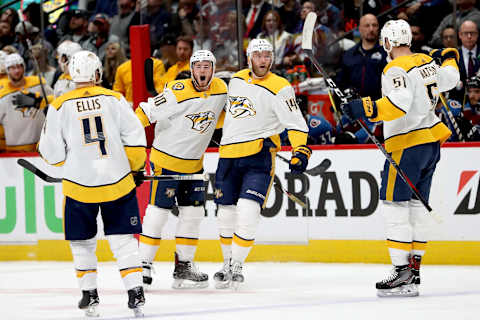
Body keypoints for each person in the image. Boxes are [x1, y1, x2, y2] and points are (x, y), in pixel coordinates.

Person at [340, 19, 460, 297]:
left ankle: (401, 272)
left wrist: (365, 107)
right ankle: (414, 272)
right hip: (430, 145)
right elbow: (451, 79)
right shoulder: (427, 61)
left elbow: (398, 103)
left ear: (387, 42)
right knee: (417, 207)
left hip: (407, 144)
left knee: (394, 206)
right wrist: (451, 56)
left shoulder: (394, 67)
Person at [37, 50, 147, 317]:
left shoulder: (59, 105)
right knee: (123, 240)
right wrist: (135, 168)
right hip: (117, 182)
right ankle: (135, 292)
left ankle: (89, 293)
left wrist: (73, 163)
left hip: (79, 185)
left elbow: (51, 154)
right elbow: (135, 136)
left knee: (82, 242)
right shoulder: (115, 98)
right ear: (97, 73)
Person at [213, 39, 310, 289]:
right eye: (258, 55)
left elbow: (296, 123)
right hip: (228, 155)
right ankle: (226, 264)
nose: (263, 60)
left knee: (248, 211)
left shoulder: (281, 87)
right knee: (225, 214)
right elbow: (225, 112)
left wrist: (300, 150)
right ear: (249, 58)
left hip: (259, 157)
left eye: (267, 55)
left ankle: (236, 265)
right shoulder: (234, 81)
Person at [135, 50, 227, 289]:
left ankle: (184, 266)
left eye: (207, 66)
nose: (203, 71)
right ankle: (143, 264)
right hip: (165, 161)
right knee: (158, 213)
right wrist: (126, 142)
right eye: (198, 67)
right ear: (192, 69)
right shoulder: (176, 93)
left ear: (213, 69)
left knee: (193, 215)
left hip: (194, 164)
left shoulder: (221, 90)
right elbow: (144, 113)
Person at [0, 53, 53, 153]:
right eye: (12, 68)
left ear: (24, 67)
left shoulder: (37, 82)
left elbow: (56, 99)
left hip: (41, 145)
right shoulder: (2, 94)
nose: (17, 70)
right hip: (15, 149)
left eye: (19, 66)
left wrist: (37, 102)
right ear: (7, 70)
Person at [336, 13, 387, 100]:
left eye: (374, 25)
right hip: (355, 106)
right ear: (360, 29)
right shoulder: (349, 54)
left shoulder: (387, 53)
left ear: (379, 28)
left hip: (380, 105)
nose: (371, 29)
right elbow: (341, 83)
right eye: (367, 25)